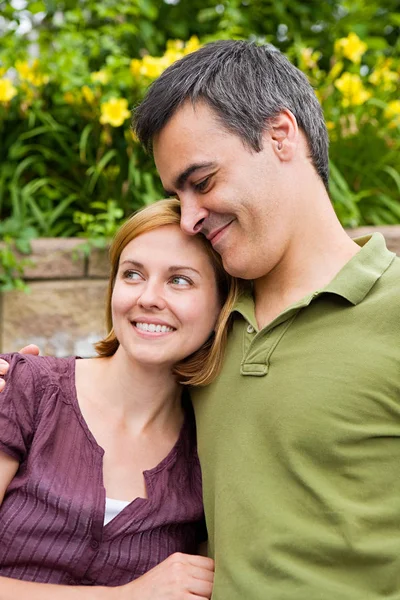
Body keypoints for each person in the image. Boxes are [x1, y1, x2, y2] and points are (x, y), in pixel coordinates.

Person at [2, 39, 400, 599]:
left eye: (203, 181)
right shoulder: (208, 334)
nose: (189, 217)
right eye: (176, 194)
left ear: (280, 135)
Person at [0, 198, 239, 599]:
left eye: (179, 280)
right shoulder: (26, 388)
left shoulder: (208, 451)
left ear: (221, 306)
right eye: (132, 275)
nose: (148, 297)